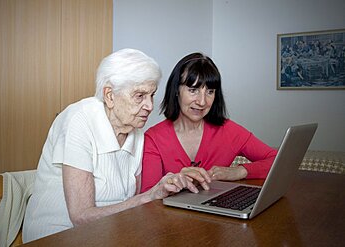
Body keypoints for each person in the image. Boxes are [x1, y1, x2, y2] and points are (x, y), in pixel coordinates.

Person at [23, 49, 195, 243]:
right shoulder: (79, 120)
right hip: (58, 234)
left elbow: (131, 201)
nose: (149, 106)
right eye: (140, 96)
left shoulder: (136, 131)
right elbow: (81, 216)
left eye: (152, 95)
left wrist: (165, 187)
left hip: (111, 232)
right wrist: (149, 196)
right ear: (110, 95)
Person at [141, 52, 278, 193]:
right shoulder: (153, 138)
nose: (202, 102)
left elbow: (280, 161)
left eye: (210, 92)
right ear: (176, 90)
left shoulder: (230, 131)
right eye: (193, 90)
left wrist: (238, 172)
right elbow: (148, 196)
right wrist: (173, 184)